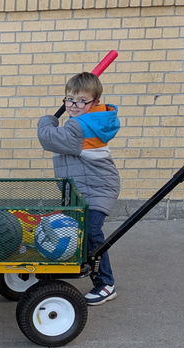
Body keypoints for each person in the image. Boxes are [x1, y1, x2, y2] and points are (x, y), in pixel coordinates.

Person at [37, 71, 121, 304]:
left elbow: (47, 138)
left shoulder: (80, 128)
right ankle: (72, 265)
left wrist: (48, 120)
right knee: (79, 232)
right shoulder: (90, 120)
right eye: (69, 99)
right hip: (84, 187)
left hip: (96, 189)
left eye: (82, 100)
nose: (74, 105)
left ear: (95, 102)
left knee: (92, 234)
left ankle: (105, 283)